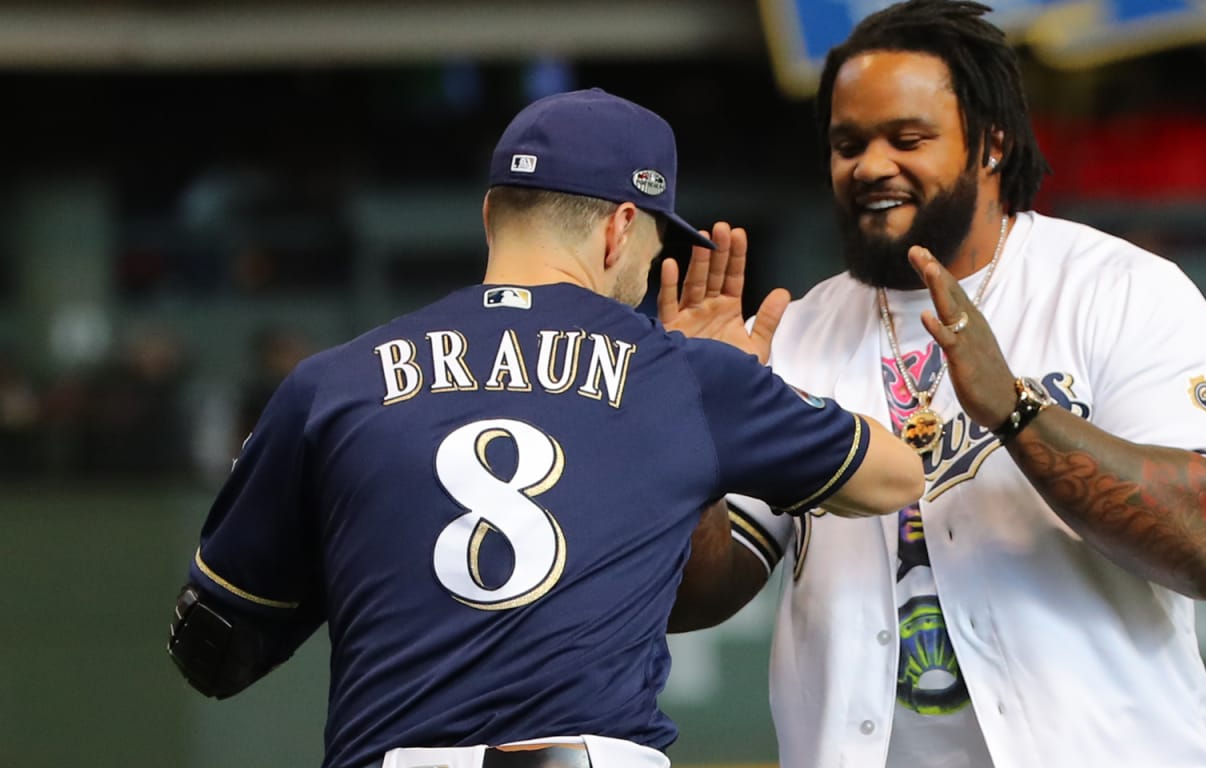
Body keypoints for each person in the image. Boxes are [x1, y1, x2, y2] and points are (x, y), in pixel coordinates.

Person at [165, 88, 924, 768]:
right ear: (621, 228)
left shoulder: (331, 383)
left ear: (492, 212)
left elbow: (212, 650)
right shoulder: (686, 375)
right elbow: (897, 476)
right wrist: (734, 405)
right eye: (658, 241)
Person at [667, 2, 1206, 766]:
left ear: (991, 144)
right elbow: (703, 596)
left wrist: (1017, 412)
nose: (870, 165)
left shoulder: (1122, 291)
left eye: (907, 138)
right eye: (848, 143)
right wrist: (695, 437)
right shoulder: (801, 334)